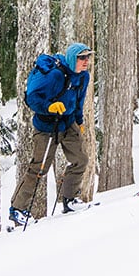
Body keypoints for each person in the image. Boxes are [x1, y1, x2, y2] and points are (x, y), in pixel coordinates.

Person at [8, 42, 93, 226]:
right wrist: (49, 107)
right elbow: (31, 99)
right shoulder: (55, 75)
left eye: (88, 57)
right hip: (47, 126)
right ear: (73, 58)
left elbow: (79, 101)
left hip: (68, 122)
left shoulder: (83, 77)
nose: (86, 61)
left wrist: (79, 121)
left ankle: (69, 200)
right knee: (39, 168)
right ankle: (17, 209)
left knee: (81, 159)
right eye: (82, 58)